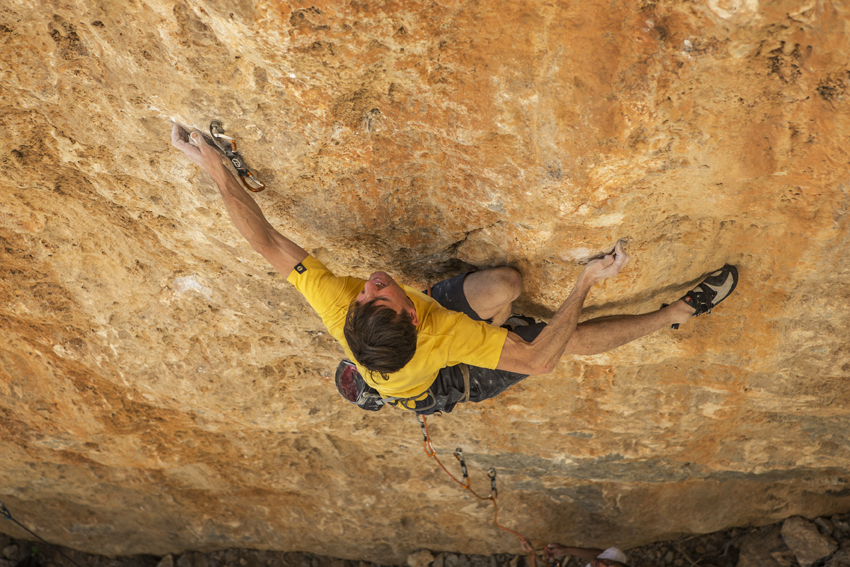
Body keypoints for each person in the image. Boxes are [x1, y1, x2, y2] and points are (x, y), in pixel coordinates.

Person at [171, 124, 739, 414]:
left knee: (507, 285)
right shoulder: (442, 339)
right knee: (551, 342)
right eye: (385, 295)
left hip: (410, 348)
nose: (371, 284)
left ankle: (465, 339)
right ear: (417, 321)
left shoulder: (335, 303)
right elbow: (539, 363)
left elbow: (266, 241)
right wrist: (585, 281)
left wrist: (215, 168)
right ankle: (679, 312)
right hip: (445, 382)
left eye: (366, 298)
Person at [521, 541, 629, 567]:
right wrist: (566, 550)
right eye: (609, 563)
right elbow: (601, 554)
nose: (601, 563)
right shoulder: (616, 558)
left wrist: (531, 556)